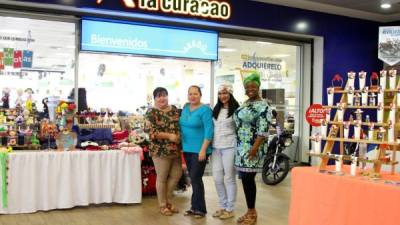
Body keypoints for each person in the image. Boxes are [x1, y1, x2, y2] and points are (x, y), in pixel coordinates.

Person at [234, 72, 272, 225]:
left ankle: (252, 213)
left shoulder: (263, 106)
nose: (250, 89)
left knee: (248, 180)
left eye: (253, 86)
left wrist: (254, 149)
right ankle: (249, 211)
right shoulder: (245, 103)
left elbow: (263, 131)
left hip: (253, 147)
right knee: (244, 179)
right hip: (241, 148)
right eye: (247, 86)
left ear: (258, 87)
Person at [145, 87, 182, 216]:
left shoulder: (174, 110)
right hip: (160, 150)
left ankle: (167, 201)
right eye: (159, 96)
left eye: (164, 95)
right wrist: (169, 136)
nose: (162, 98)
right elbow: (150, 132)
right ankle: (163, 205)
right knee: (162, 178)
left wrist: (178, 137)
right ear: (154, 98)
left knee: (176, 175)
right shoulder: (151, 112)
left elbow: (181, 126)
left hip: (175, 149)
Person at [179, 85, 214, 218]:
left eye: (195, 94)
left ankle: (201, 209)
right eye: (190, 94)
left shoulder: (205, 110)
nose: (192, 96)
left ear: (200, 95)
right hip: (187, 149)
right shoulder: (186, 108)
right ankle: (194, 207)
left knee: (196, 178)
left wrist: (203, 150)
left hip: (200, 150)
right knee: (193, 178)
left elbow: (209, 130)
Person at [211, 84, 240, 220]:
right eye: (220, 93)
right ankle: (222, 205)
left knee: (229, 178)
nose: (223, 96)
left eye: (225, 93)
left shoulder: (237, 110)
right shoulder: (215, 110)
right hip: (216, 147)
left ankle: (230, 208)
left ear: (230, 94)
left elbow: (240, 130)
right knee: (217, 178)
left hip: (230, 147)